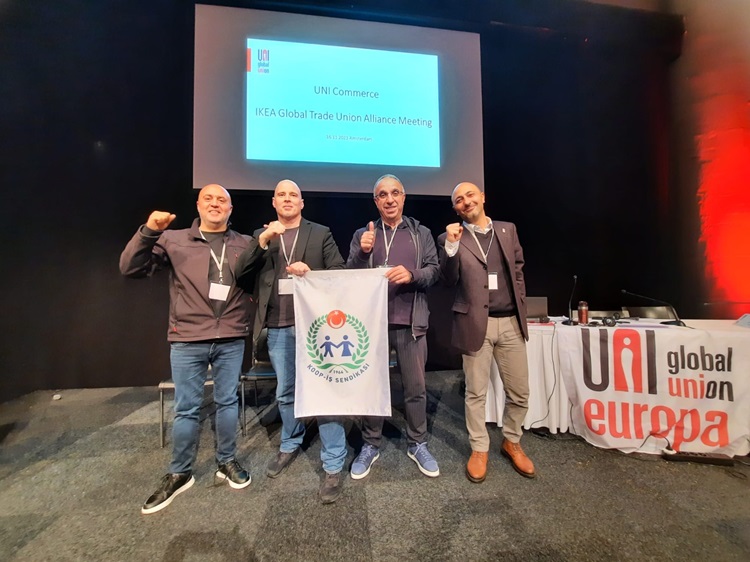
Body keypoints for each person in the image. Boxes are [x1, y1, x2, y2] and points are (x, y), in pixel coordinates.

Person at [120, 184, 253, 515]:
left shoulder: (244, 243)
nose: (215, 203)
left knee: (227, 403)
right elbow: (130, 268)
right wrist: (149, 231)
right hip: (188, 338)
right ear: (198, 205)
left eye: (222, 200)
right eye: (208, 198)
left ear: (231, 209)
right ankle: (180, 472)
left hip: (231, 336)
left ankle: (227, 461)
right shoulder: (174, 239)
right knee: (186, 408)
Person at [235, 179, 348, 504]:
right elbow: (241, 276)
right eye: (281, 194)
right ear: (274, 202)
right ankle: (290, 442)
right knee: (285, 392)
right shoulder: (263, 235)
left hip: (315, 328)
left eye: (293, 195)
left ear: (301, 203)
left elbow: (339, 271)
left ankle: (333, 462)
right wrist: (262, 241)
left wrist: (311, 272)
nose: (287, 199)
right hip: (278, 326)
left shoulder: (320, 233)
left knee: (325, 392)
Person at [437, 181, 535, 482]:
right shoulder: (452, 237)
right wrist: (450, 246)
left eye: (470, 195)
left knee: (519, 392)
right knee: (475, 393)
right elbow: (447, 280)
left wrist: (521, 305)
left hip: (511, 323)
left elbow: (518, 270)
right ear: (455, 209)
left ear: (482, 197)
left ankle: (512, 440)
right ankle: (479, 448)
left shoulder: (507, 230)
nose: (465, 201)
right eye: (458, 200)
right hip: (475, 323)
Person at [347, 174, 440, 479]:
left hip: (410, 322)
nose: (389, 199)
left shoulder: (421, 233)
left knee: (415, 388)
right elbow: (350, 275)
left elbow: (434, 271)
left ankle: (417, 443)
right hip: (371, 324)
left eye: (395, 193)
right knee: (373, 388)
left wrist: (412, 274)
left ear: (403, 197)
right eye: (383, 195)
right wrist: (362, 252)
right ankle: (370, 444)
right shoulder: (364, 233)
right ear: (376, 201)